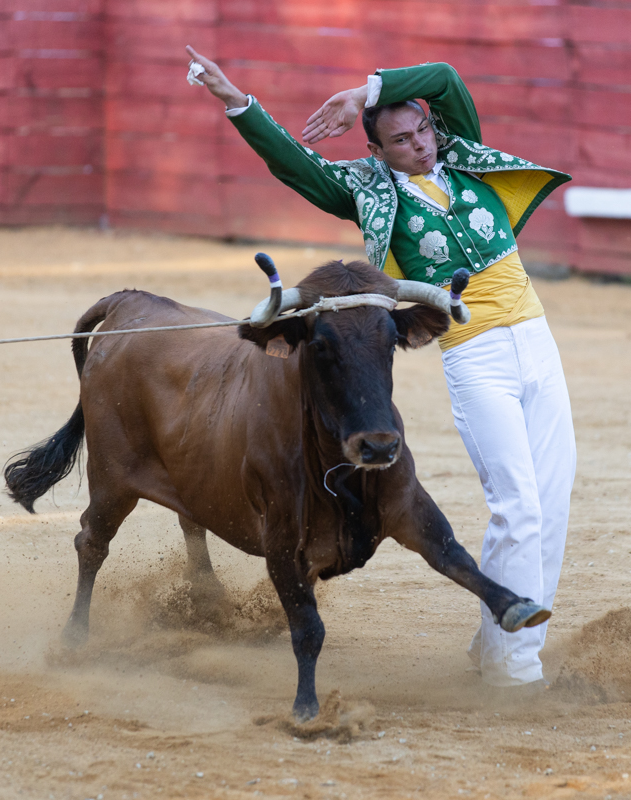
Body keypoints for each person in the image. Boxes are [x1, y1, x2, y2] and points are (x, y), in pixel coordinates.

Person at [186, 46, 577, 692]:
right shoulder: (370, 196)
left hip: (536, 338)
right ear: (378, 153)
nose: (421, 145)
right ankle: (517, 666)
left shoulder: (464, 156)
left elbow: (448, 79)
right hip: (474, 353)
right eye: (401, 139)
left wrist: (366, 93)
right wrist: (236, 101)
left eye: (423, 129)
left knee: (552, 504)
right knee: (519, 507)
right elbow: (295, 164)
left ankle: (495, 645)